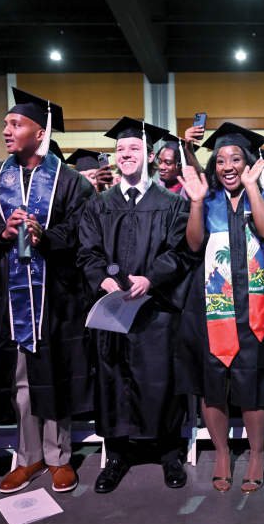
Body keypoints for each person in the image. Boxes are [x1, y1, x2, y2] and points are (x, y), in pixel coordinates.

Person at [0, 88, 95, 495]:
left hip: (56, 296)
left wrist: (47, 237)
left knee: (54, 375)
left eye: (15, 124)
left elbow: (80, 232)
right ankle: (28, 457)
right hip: (10, 295)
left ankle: (60, 456)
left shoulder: (71, 181)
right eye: (6, 123)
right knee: (21, 381)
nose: (6, 130)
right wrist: (3, 232)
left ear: (40, 133)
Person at [176, 123, 264, 494]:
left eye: (236, 158)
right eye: (222, 159)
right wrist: (195, 201)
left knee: (254, 376)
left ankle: (256, 454)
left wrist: (253, 188)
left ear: (247, 163)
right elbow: (193, 246)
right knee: (212, 379)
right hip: (212, 302)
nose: (228, 165)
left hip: (257, 304)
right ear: (214, 166)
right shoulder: (205, 198)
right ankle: (223, 454)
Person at [78, 117, 193, 494]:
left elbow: (182, 251)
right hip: (113, 309)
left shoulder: (172, 204)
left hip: (155, 309)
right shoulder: (99, 205)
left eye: (134, 149)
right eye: (121, 149)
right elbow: (87, 252)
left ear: (149, 156)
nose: (126, 155)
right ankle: (117, 456)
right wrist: (102, 278)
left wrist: (152, 277)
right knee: (113, 378)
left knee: (159, 378)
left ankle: (169, 453)